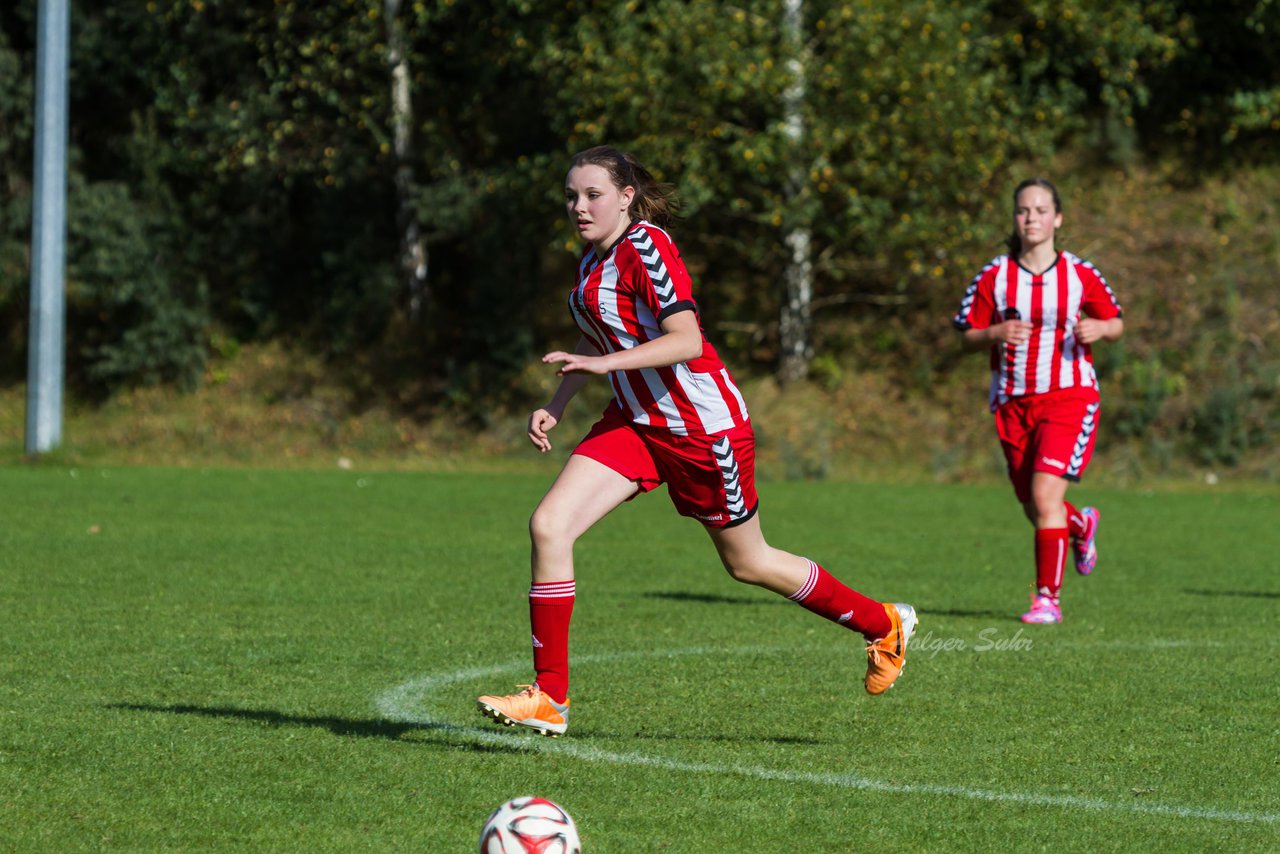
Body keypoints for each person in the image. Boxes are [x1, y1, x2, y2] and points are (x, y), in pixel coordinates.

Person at [476, 145, 917, 736]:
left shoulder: (649, 248)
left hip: (701, 429)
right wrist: (556, 402)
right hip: (634, 422)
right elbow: (601, 347)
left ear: (626, 197)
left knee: (749, 562)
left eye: (592, 195)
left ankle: (882, 623)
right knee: (549, 526)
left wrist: (609, 368)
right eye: (571, 197)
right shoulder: (590, 263)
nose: (578, 208)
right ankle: (549, 698)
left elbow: (684, 340)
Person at [951, 177, 1124, 624]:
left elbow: (1115, 321)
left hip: (1070, 396)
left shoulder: (1080, 273)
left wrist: (1098, 329)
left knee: (1046, 495)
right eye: (1024, 211)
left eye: (1041, 210)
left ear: (1058, 218)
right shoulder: (995, 275)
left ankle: (1047, 600)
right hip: (1012, 401)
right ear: (1015, 218)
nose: (1032, 218)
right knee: (1034, 505)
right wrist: (993, 333)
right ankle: (1081, 525)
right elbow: (965, 335)